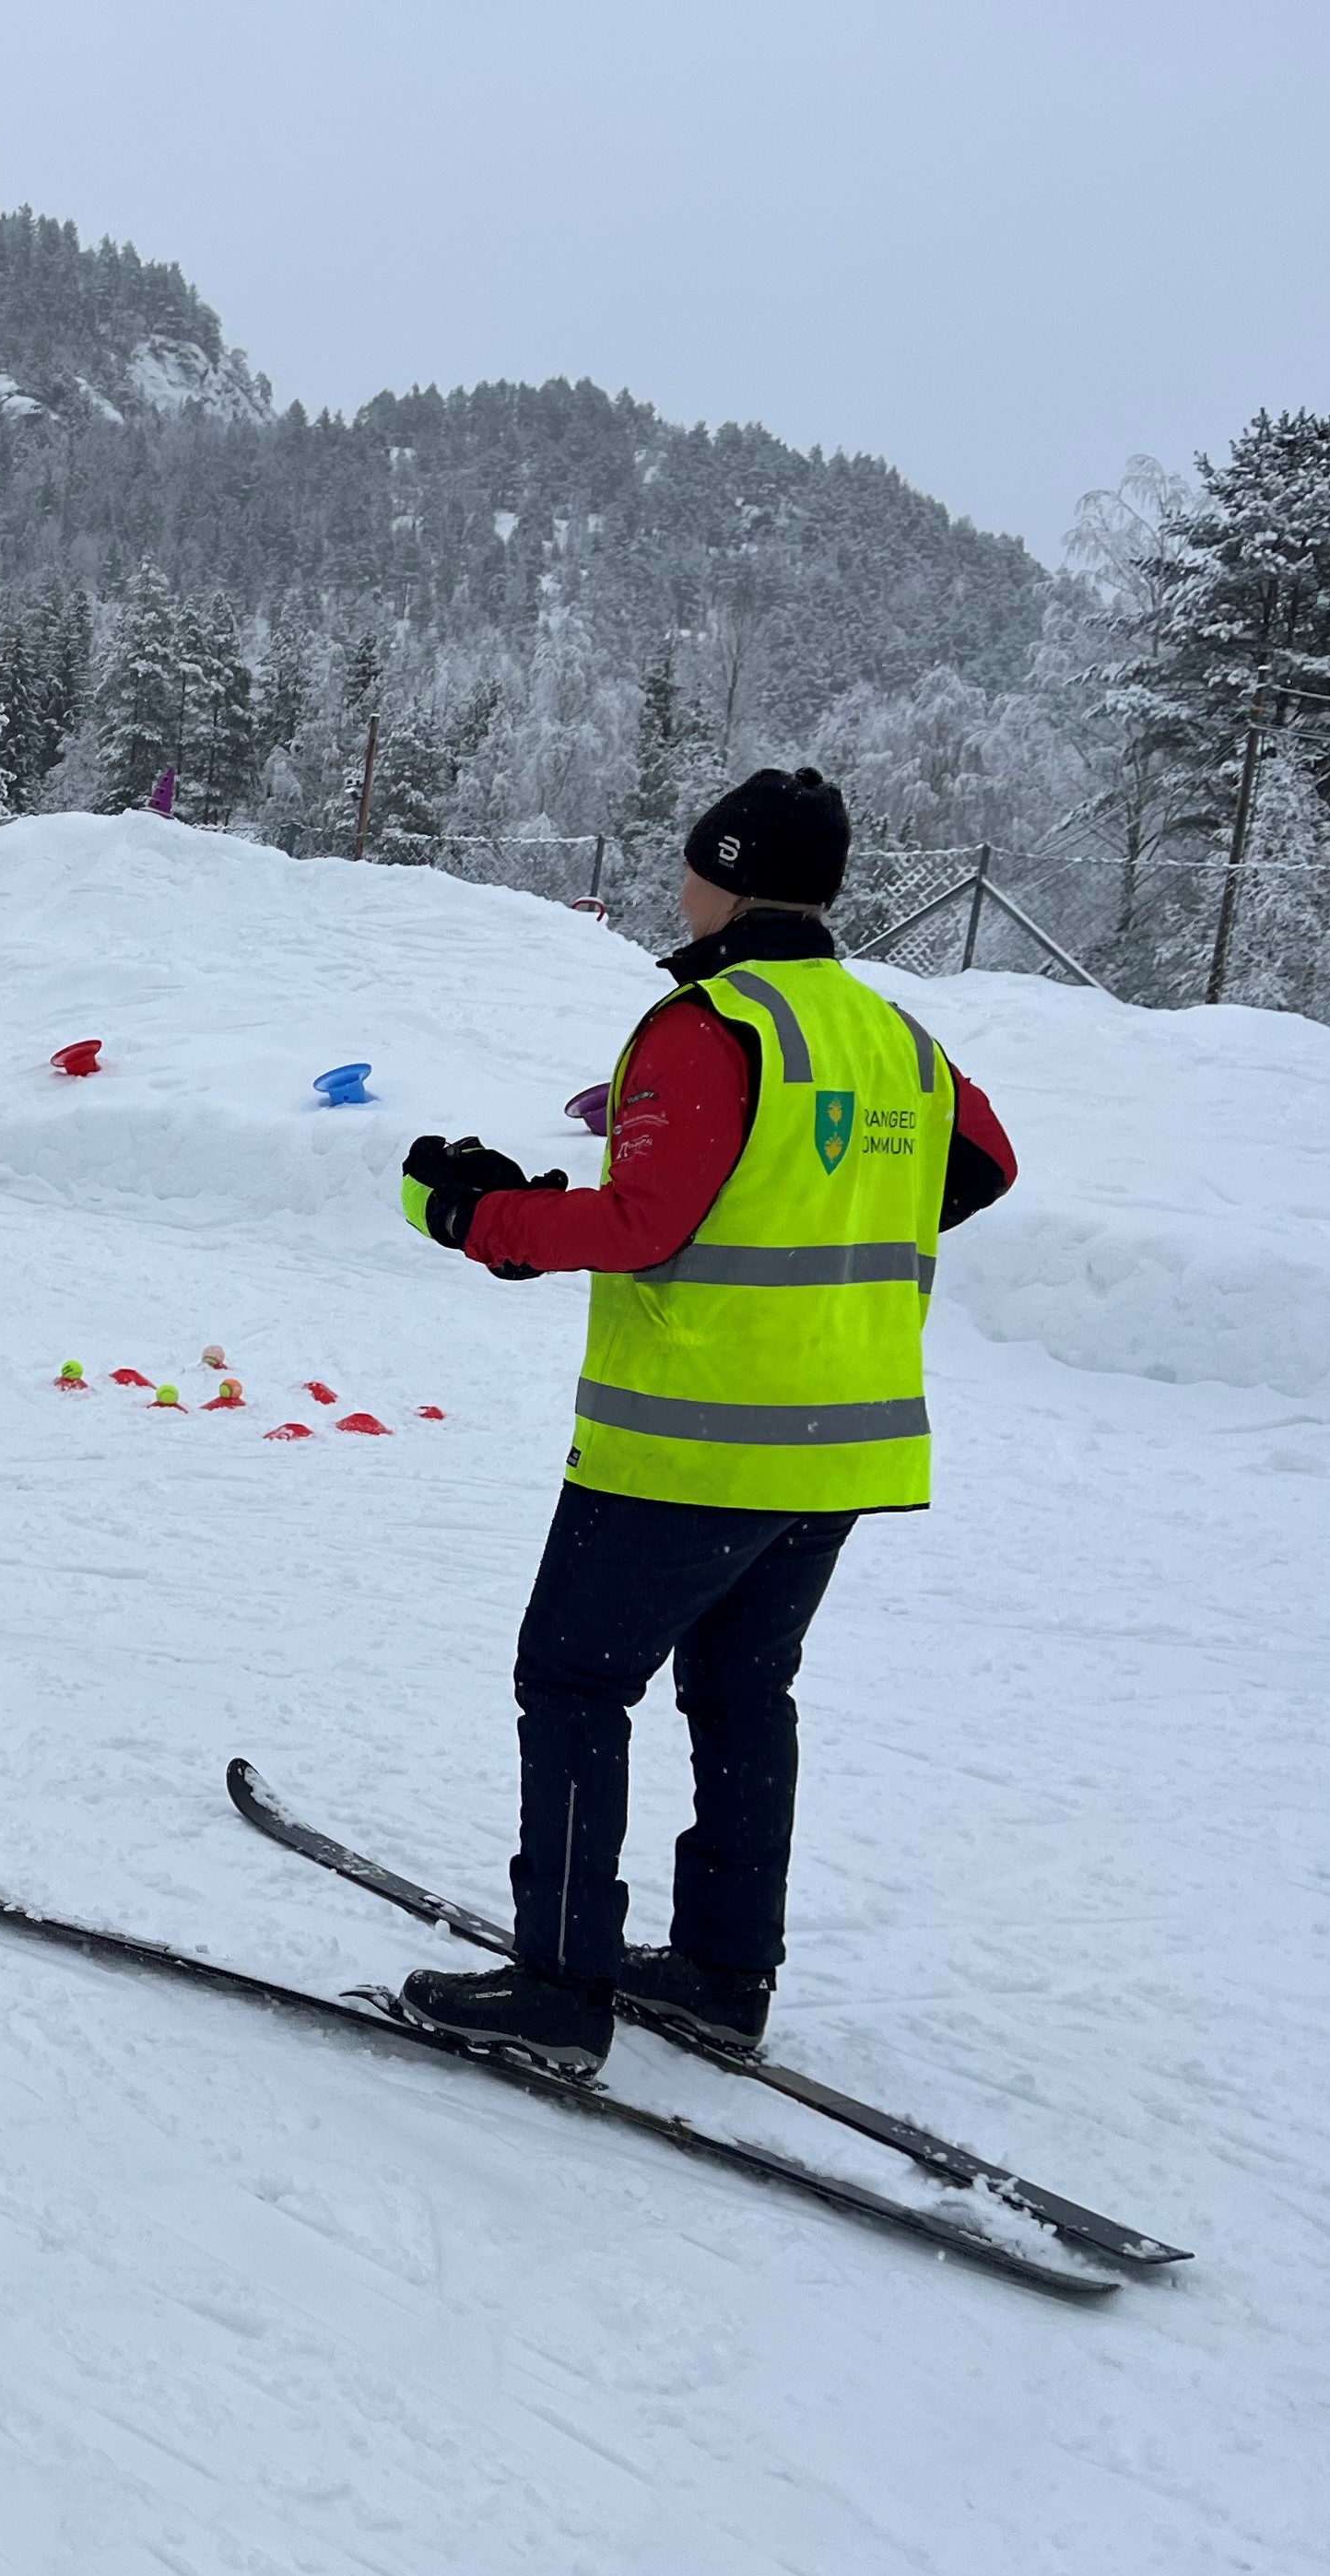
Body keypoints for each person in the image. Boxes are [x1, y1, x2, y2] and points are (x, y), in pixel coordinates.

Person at [388, 768, 1018, 2077]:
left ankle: (563, 1982)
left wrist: (475, 1217)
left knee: (573, 1681)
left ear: (717, 876)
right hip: (841, 1441)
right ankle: (728, 1973)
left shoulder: (705, 1022)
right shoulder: (891, 1031)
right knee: (742, 1691)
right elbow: (985, 1162)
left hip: (692, 1440)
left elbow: (641, 1226)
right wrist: (827, 1222)